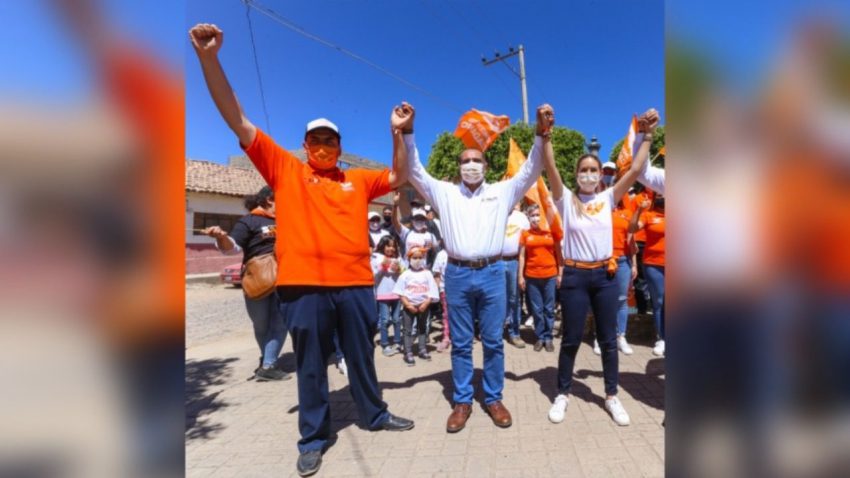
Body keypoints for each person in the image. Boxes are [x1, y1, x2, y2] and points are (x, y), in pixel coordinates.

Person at [189, 23, 414, 477]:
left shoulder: (356, 179)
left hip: (355, 285)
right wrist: (209, 59)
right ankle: (313, 437)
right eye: (316, 140)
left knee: (362, 356)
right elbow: (237, 119)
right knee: (310, 364)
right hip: (301, 287)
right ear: (306, 145)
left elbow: (399, 176)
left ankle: (374, 414)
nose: (323, 146)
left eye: (331, 140)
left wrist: (399, 133)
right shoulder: (285, 170)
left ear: (340, 147)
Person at [403, 102, 553, 432]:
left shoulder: (503, 191)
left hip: (492, 273)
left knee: (494, 341)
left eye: (476, 161)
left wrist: (540, 133)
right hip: (457, 274)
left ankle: (494, 398)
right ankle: (462, 401)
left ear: (486, 166)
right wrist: (408, 131)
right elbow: (413, 169)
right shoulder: (443, 192)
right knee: (460, 342)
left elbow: (532, 168)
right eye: (466, 161)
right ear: (459, 167)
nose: (471, 165)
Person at [541, 107, 659, 427]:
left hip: (606, 276)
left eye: (594, 170)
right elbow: (550, 166)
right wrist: (545, 133)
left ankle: (611, 395)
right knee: (571, 338)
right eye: (584, 170)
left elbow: (636, 169)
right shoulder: (566, 200)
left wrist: (648, 135)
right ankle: (563, 393)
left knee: (608, 340)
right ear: (577, 174)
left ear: (600, 174)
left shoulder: (608, 198)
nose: (590, 174)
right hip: (575, 276)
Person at [204, 186, 290, 381]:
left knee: (280, 323)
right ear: (270, 199)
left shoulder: (287, 220)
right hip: (257, 279)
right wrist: (221, 237)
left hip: (285, 278)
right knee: (261, 325)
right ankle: (267, 360)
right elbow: (232, 248)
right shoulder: (249, 221)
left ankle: (268, 364)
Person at [518, 203, 563, 352]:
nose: (536, 218)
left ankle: (548, 337)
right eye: (533, 215)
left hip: (550, 275)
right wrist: (520, 276)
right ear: (528, 217)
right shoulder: (525, 234)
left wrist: (560, 273)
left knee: (549, 308)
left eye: (538, 215)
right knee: (537, 309)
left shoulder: (552, 233)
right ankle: (540, 337)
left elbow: (559, 255)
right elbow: (522, 256)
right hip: (532, 276)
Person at [630, 193, 666, 356]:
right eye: (659, 195)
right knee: (658, 301)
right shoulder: (648, 215)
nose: (662, 197)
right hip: (654, 264)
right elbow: (632, 228)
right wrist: (638, 210)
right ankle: (661, 338)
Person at [393, 247, 440, 366]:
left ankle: (422, 349)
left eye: (420, 257)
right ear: (409, 259)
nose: (418, 260)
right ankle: (408, 352)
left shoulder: (427, 274)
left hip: (424, 306)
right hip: (409, 307)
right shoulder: (405, 275)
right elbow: (400, 292)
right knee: (407, 330)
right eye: (415, 258)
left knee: (423, 328)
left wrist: (426, 303)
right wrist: (408, 305)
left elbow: (433, 290)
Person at [503, 203, 531, 348]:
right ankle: (495, 332)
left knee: (514, 299)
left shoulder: (521, 218)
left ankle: (514, 333)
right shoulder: (494, 212)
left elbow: (527, 243)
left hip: (514, 262)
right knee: (494, 299)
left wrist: (522, 271)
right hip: (495, 262)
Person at [371, 236, 404, 357]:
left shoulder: (398, 258)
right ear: (382, 246)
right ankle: (385, 344)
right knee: (384, 320)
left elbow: (404, 273)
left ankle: (397, 342)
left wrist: (399, 269)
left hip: (396, 294)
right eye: (388, 246)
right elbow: (373, 276)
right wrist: (382, 267)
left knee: (396, 319)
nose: (391, 248)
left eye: (393, 246)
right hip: (382, 294)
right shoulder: (376, 258)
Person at [431, 248, 451, 352]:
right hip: (445, 289)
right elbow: (437, 274)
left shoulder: (461, 253)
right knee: (446, 314)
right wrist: (436, 291)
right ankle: (446, 337)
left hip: (461, 289)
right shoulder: (441, 255)